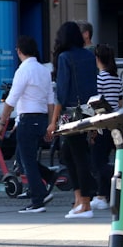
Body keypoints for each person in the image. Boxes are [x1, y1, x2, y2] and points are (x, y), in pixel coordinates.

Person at [0, 36, 55, 214]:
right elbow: (51, 100)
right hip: (42, 118)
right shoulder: (44, 71)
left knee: (26, 161)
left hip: (28, 120)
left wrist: (2, 122)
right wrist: (51, 124)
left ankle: (38, 200)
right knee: (24, 158)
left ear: (19, 51)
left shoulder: (23, 70)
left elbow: (12, 99)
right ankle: (49, 177)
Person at [47, 20, 99, 219]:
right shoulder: (88, 55)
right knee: (71, 154)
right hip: (88, 109)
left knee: (77, 156)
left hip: (70, 111)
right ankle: (79, 199)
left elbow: (62, 91)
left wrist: (54, 121)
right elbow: (94, 85)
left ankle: (85, 203)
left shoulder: (64, 57)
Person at [89, 43, 123, 210]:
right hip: (115, 123)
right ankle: (101, 196)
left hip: (102, 122)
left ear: (97, 59)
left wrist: (94, 127)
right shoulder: (117, 78)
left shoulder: (100, 78)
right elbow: (120, 101)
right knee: (104, 158)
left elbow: (96, 103)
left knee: (97, 162)